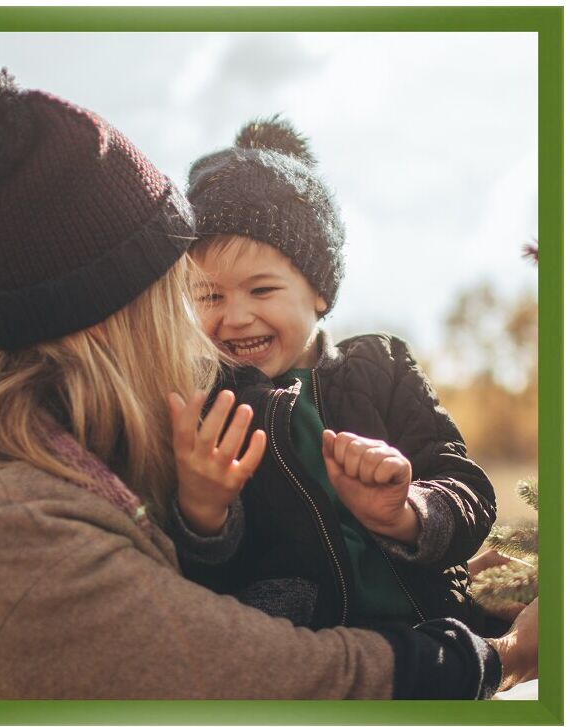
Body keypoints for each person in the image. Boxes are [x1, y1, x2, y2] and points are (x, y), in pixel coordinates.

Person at [0, 65, 535, 700]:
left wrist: (422, 524)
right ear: (109, 316)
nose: (217, 318)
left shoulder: (78, 447)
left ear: (320, 293)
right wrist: (502, 658)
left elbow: (453, 480)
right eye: (191, 288)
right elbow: (263, 673)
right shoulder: (17, 534)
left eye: (262, 288)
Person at [168, 117, 501, 635]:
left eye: (261, 291)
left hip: (438, 635)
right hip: (306, 660)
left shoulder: (381, 367)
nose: (234, 317)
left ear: (318, 292)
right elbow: (196, 582)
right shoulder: (205, 404)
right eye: (209, 296)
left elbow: (469, 489)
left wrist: (407, 512)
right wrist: (202, 511)